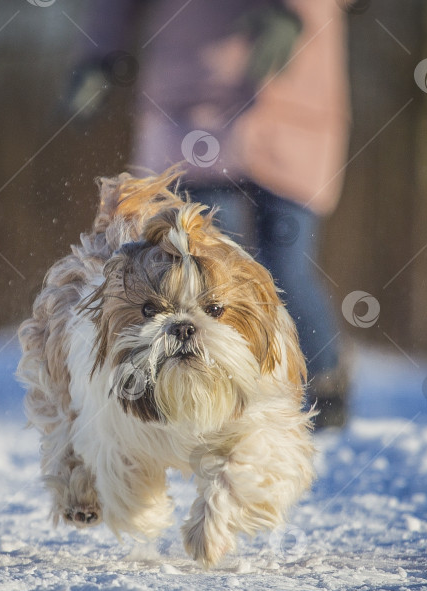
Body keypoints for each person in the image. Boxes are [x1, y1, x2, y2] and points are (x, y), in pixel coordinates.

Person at [66, 0, 351, 426]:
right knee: (205, 270)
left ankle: (324, 386)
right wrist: (98, 53)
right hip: (191, 103)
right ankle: (219, 393)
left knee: (288, 266)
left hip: (294, 100)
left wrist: (296, 10)